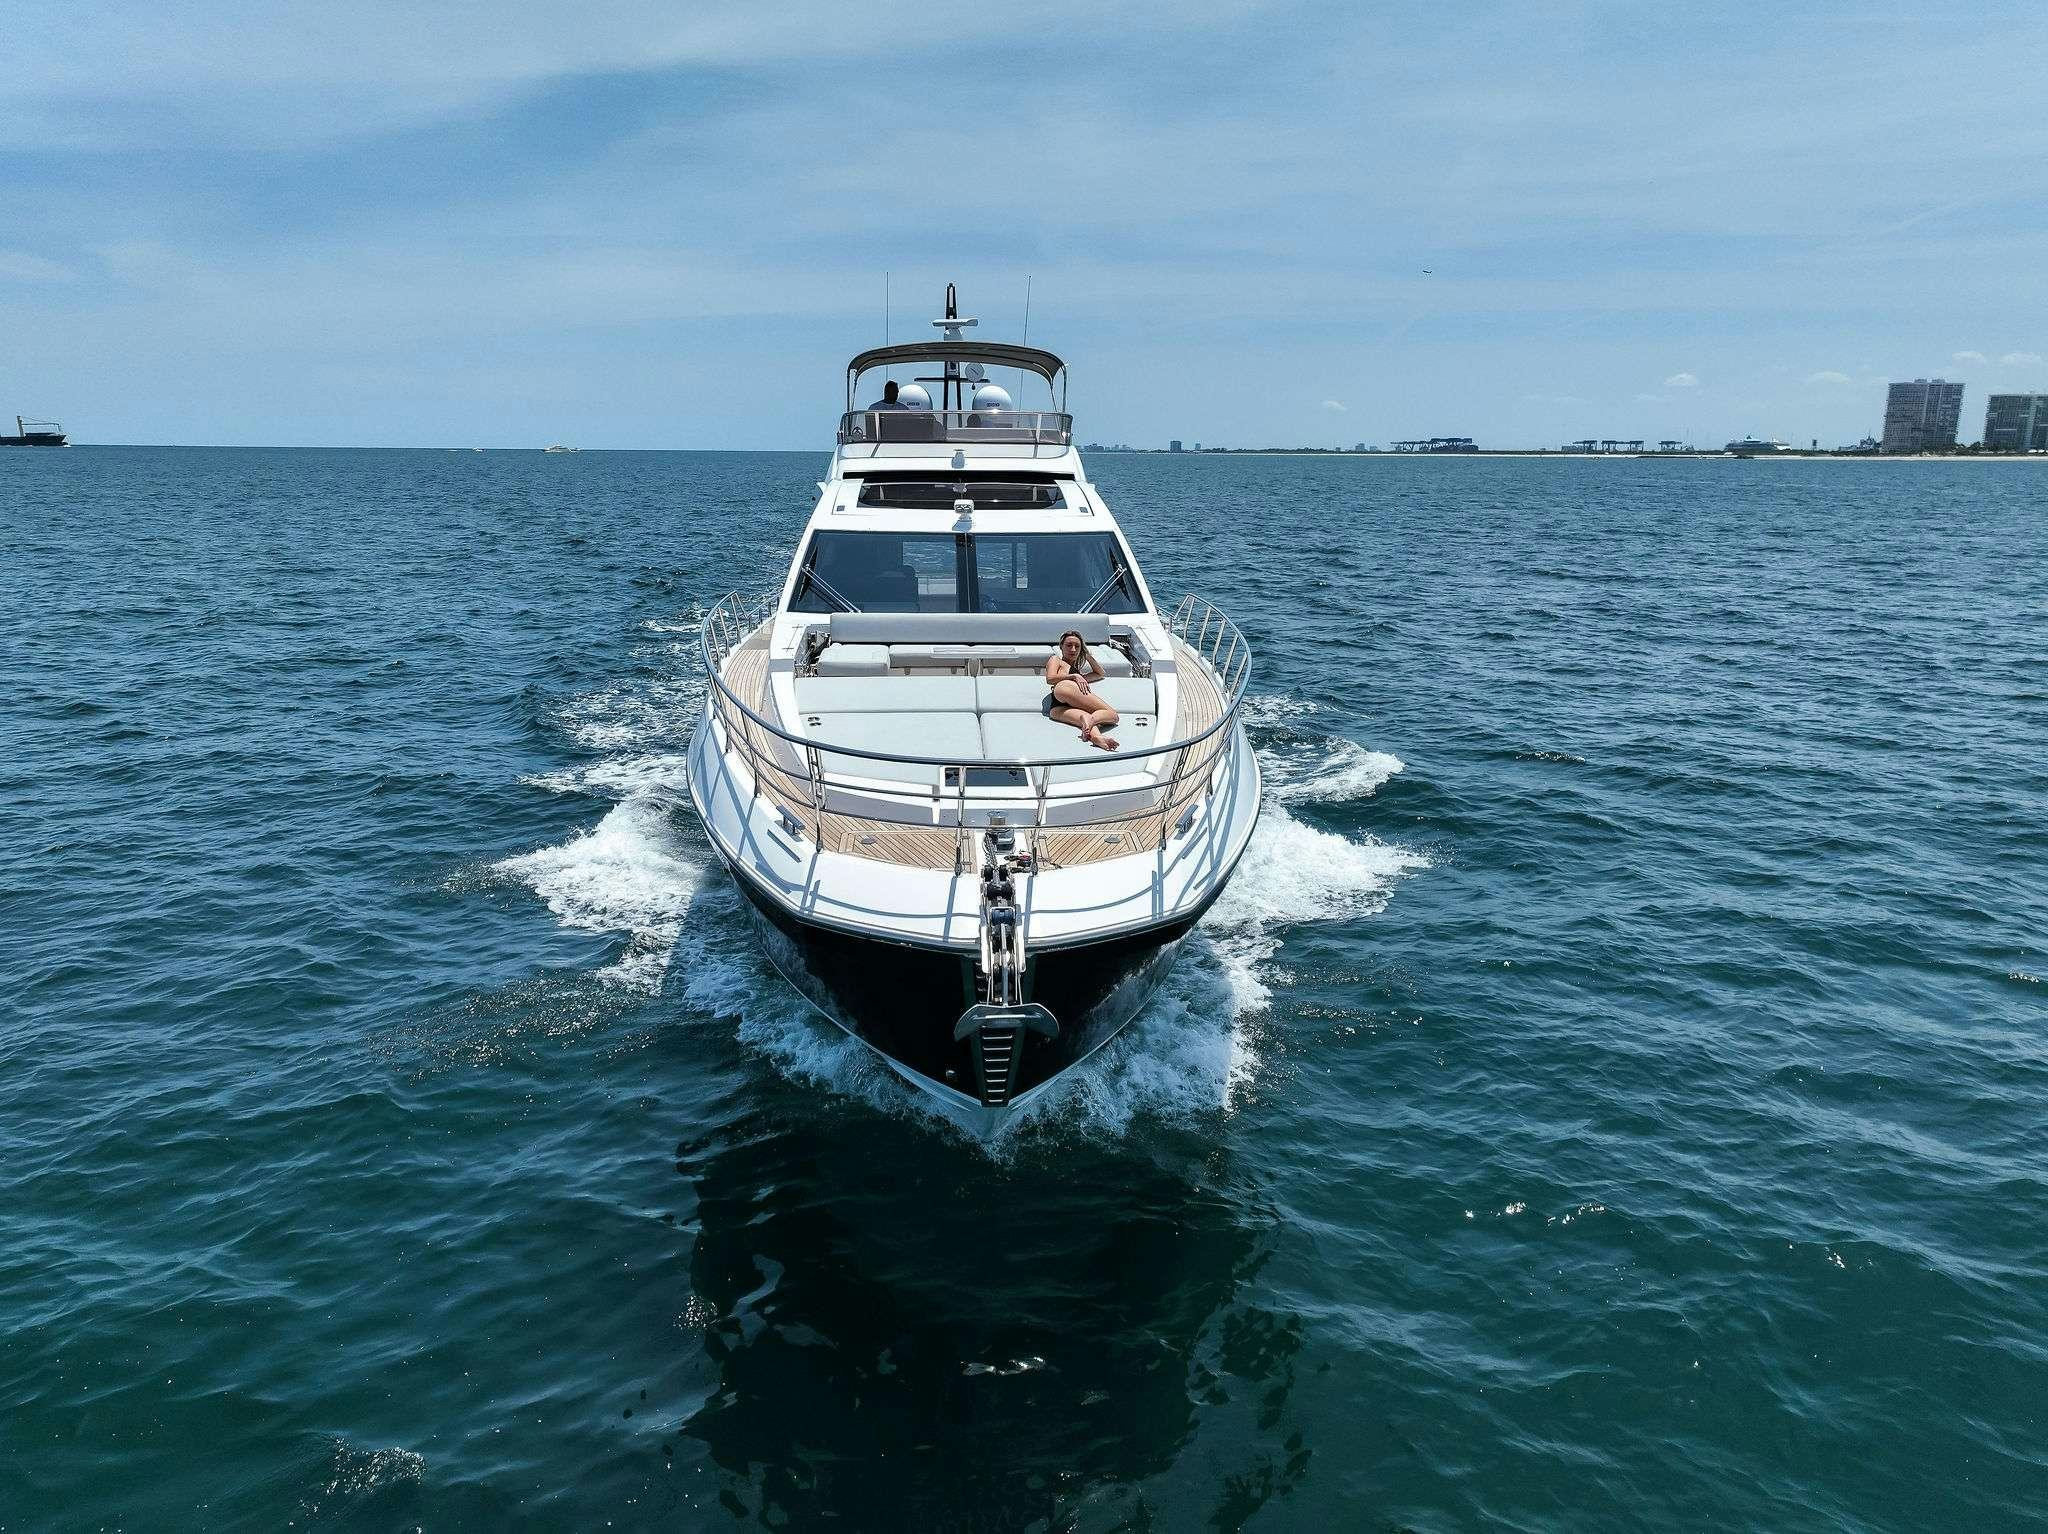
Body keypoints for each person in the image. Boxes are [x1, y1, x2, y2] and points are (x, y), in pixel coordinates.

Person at [1044, 629, 1120, 751]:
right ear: (1061, 647)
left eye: (1077, 646)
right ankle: (1092, 720)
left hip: (1056, 709)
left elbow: (1100, 673)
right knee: (1113, 715)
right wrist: (1074, 676)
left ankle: (1097, 738)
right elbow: (1050, 678)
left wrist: (1087, 655)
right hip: (1064, 688)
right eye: (1069, 645)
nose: (1073, 649)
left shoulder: (1077, 673)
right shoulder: (1056, 660)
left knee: (1084, 718)